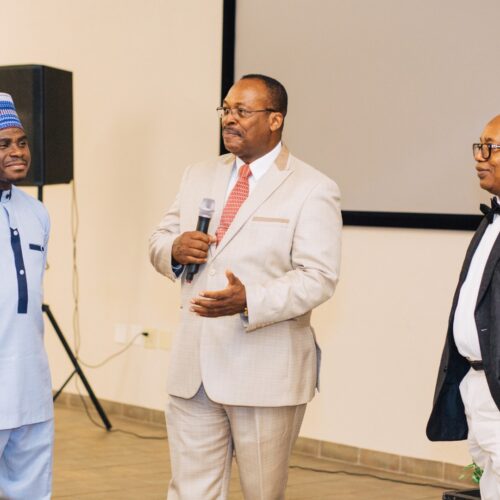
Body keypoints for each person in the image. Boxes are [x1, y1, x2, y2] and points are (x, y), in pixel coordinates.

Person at [149, 74, 342, 499]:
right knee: (189, 492)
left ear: (275, 119)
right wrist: (175, 250)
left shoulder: (313, 188)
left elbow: (318, 277)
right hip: (194, 373)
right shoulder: (198, 174)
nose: (229, 119)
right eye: (226, 109)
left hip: (264, 372)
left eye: (242, 111)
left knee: (262, 493)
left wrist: (249, 300)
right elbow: (160, 238)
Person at [427, 115, 500, 499]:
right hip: (477, 384)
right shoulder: (491, 222)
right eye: (480, 146)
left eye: (492, 148)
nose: (480, 156)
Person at [0, 93, 53, 499]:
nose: (18, 152)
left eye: (22, 142)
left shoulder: (37, 213)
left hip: (31, 383)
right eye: (4, 144)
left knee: (32, 489)